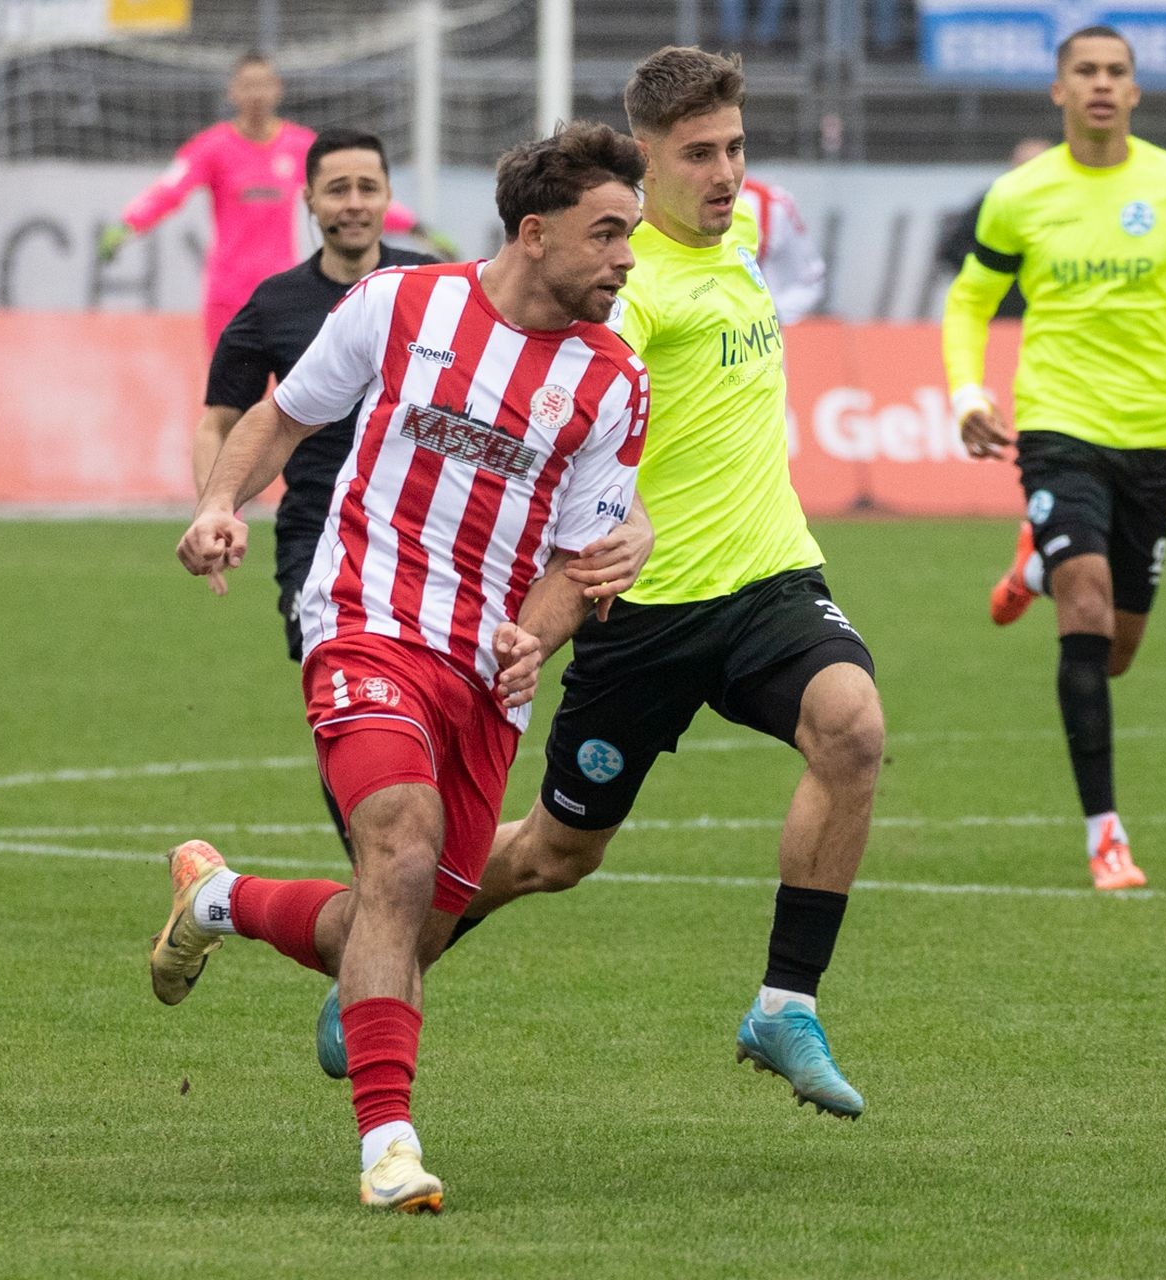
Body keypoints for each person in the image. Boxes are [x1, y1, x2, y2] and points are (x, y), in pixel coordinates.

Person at [320, 45, 885, 1120]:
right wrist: (614, 529)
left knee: (852, 728)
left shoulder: (743, 235)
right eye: (699, 155)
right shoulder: (621, 296)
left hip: (769, 580)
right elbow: (570, 418)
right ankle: (384, 957)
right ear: (646, 161)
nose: (725, 173)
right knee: (554, 854)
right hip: (642, 613)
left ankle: (785, 1003)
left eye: (735, 148)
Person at [154, 121, 655, 1212]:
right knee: (401, 844)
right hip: (363, 617)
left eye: (632, 234)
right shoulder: (400, 305)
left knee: (396, 916)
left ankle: (221, 899)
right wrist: (217, 505)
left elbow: (585, 556)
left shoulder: (616, 379)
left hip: (484, 671)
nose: (627, 258)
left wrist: (536, 631)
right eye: (609, 233)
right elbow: (282, 418)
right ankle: (389, 1146)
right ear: (535, 232)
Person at [940, 25, 1166, 892]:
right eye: (1085, 71)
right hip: (1058, 426)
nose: (1102, 84)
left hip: (1151, 436)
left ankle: (1034, 566)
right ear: (1060, 90)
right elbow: (969, 301)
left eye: (1117, 71)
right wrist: (968, 395)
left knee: (1114, 649)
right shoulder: (1020, 195)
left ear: (1136, 90)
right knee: (1085, 602)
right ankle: (1105, 835)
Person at [194, 127, 439, 852]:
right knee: (350, 713)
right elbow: (220, 421)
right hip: (319, 544)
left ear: (389, 198)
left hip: (427, 537)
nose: (353, 203)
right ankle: (375, 874)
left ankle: (395, 879)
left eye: (367, 188)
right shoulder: (275, 304)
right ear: (307, 200)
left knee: (435, 716)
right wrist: (214, 509)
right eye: (337, 189)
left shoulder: (436, 289)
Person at [98, 52, 450, 353]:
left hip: (286, 290)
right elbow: (169, 190)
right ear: (233, 92)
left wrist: (417, 228)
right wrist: (128, 225)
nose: (256, 94)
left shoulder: (300, 146)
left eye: (263, 84)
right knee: (227, 397)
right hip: (228, 294)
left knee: (292, 395)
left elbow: (351, 194)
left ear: (277, 89)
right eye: (247, 85)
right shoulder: (212, 147)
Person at [933, 137, 1051, 320]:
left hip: (1049, 312)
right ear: (1012, 165)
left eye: (1038, 166)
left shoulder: (1064, 206)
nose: (1030, 173)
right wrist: (992, 266)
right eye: (1025, 164)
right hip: (998, 313)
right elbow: (952, 249)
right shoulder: (991, 203)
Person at [737, 175, 826, 323]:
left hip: (752, 330)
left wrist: (770, 316)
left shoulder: (772, 204)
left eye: (733, 152)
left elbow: (810, 280)